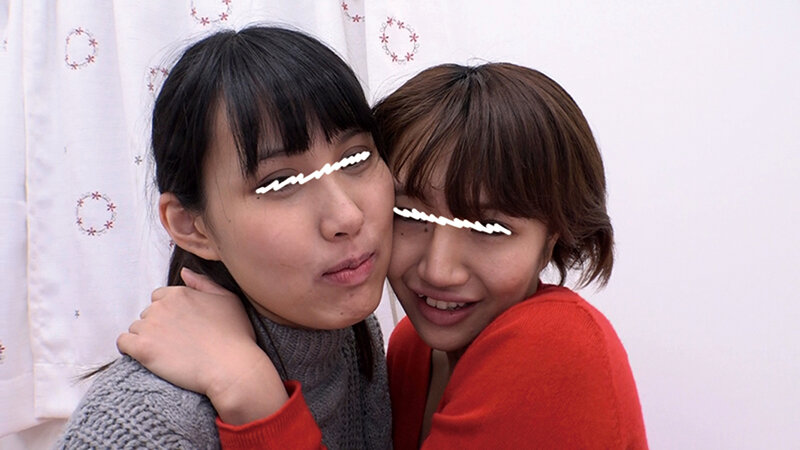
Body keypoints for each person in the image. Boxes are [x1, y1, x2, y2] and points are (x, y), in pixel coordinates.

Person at [123, 63, 649, 448]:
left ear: (553, 235)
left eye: (489, 229)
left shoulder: (554, 346)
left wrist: (250, 392)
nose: (439, 270)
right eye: (411, 215)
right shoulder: (405, 347)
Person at [56, 25, 394, 449]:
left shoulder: (350, 334)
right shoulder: (143, 424)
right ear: (191, 226)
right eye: (279, 182)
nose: (347, 215)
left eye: (355, 157)